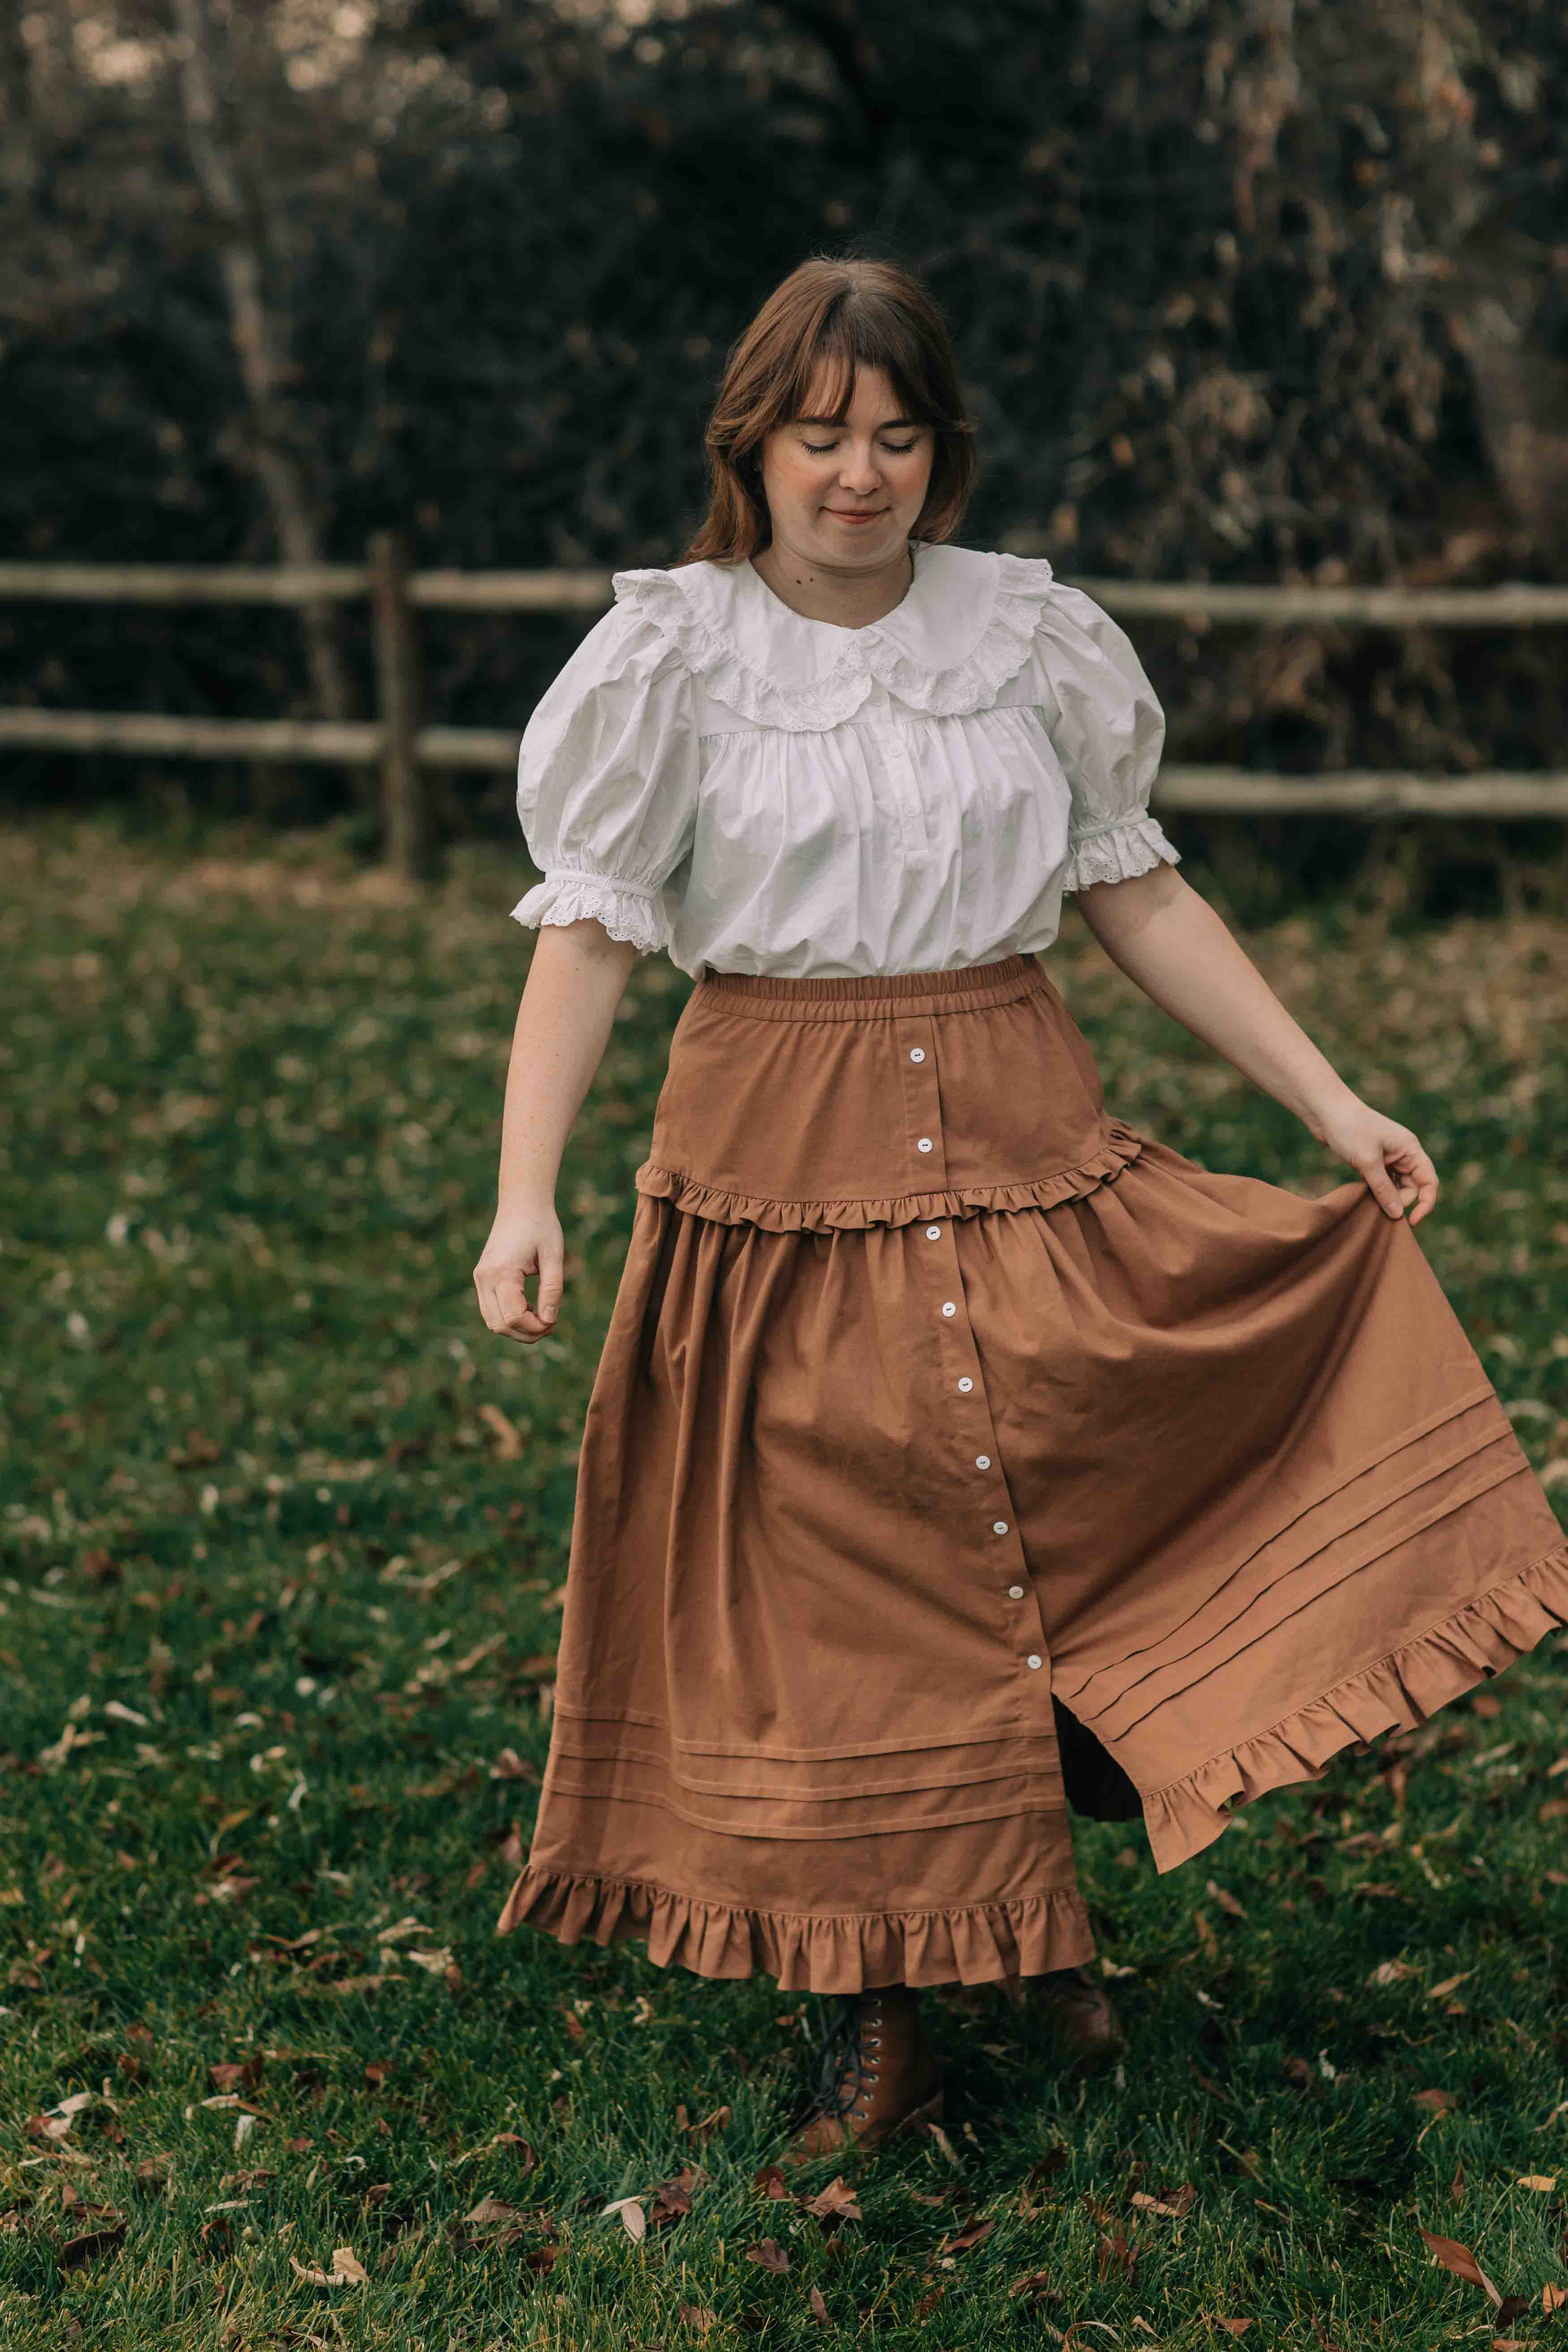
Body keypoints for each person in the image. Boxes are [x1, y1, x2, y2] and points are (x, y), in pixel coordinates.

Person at [473, 253, 1568, 2160]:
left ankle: (1027, 1914)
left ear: (944, 449)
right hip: (777, 1163)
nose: (860, 474)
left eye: (899, 436)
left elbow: (1135, 887)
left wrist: (1331, 1098)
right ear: (753, 443)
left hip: (1019, 1123)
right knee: (827, 1579)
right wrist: (524, 1196)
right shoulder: (671, 655)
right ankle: (876, 2009)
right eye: (822, 436)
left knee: (1055, 1507)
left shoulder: (1030, 633)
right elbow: (589, 933)